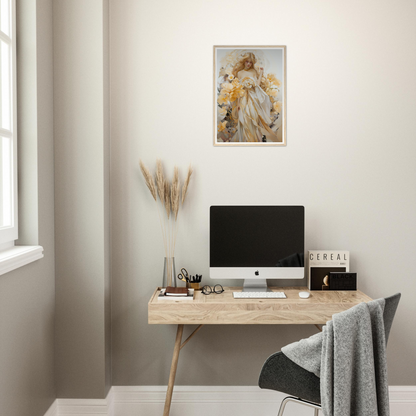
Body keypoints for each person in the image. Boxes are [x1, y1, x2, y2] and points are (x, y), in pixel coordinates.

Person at [231, 53, 280, 142]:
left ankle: (254, 140)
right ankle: (245, 139)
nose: (248, 64)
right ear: (244, 61)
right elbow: (238, 89)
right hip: (243, 99)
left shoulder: (253, 72)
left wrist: (261, 73)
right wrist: (238, 103)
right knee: (244, 118)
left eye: (250, 62)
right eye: (247, 62)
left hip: (253, 98)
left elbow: (257, 84)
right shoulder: (239, 73)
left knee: (253, 117)